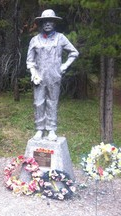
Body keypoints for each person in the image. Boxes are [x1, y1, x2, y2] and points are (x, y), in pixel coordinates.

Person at [26, 9, 79, 141]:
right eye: (45, 21)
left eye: (50, 21)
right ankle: (39, 129)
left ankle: (51, 129)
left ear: (54, 23)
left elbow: (74, 53)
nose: (47, 24)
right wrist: (33, 73)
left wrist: (64, 66)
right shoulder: (34, 40)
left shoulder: (61, 38)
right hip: (39, 77)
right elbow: (30, 60)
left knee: (52, 103)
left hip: (54, 76)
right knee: (38, 103)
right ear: (41, 23)